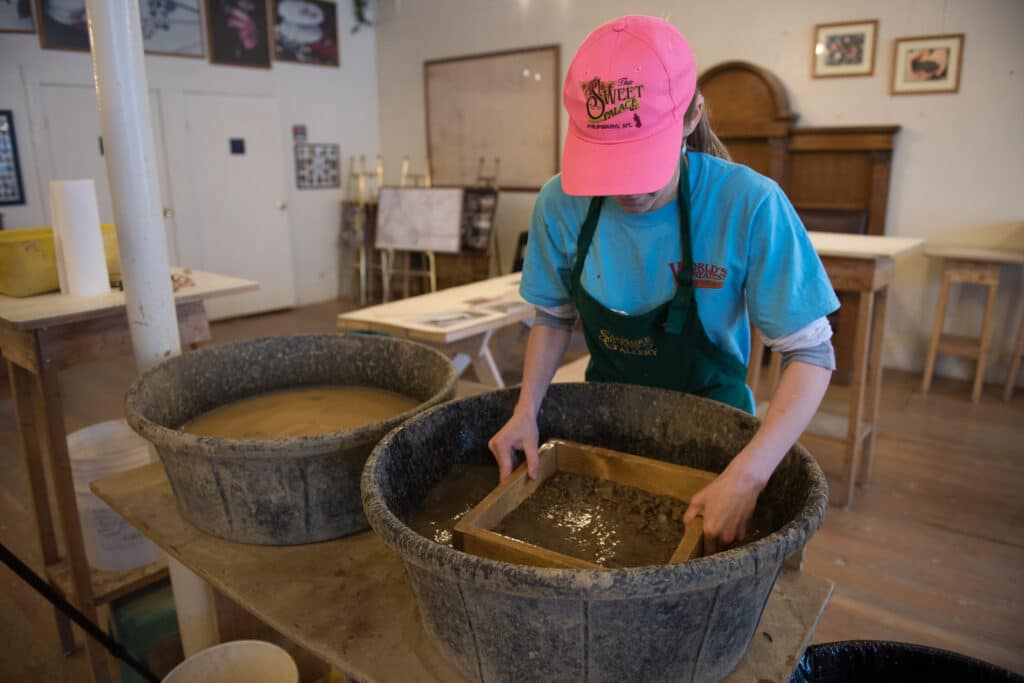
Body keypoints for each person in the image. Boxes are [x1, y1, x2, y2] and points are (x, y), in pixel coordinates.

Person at [488, 16, 840, 553]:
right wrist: (525, 411)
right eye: (608, 165)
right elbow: (554, 315)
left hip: (715, 435)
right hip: (606, 420)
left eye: (641, 163)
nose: (626, 191)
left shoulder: (748, 204)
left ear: (691, 115)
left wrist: (748, 476)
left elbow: (810, 352)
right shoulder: (560, 203)